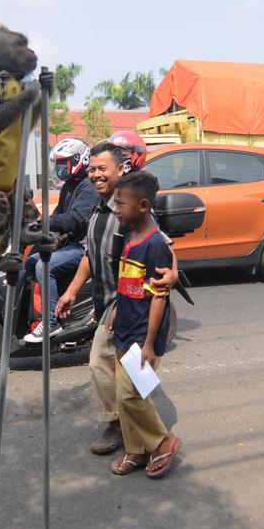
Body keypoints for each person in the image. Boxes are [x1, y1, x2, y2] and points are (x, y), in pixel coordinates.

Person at [55, 132, 176, 456]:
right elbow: (89, 255)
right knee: (108, 369)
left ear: (121, 169)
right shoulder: (98, 208)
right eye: (92, 168)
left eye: (102, 168)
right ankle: (128, 428)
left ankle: (146, 437)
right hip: (107, 304)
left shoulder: (130, 207)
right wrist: (70, 291)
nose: (95, 174)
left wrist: (174, 271)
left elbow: (161, 242)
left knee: (128, 374)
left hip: (132, 308)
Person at [104, 171, 181, 478]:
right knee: (130, 396)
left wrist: (149, 344)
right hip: (124, 327)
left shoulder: (155, 245)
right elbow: (128, 282)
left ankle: (163, 442)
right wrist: (116, 309)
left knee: (129, 395)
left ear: (144, 205)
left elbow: (159, 297)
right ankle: (136, 450)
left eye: (121, 203)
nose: (116, 209)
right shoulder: (130, 235)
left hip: (142, 336)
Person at [23, 138, 100, 343]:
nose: (58, 169)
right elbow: (58, 215)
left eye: (62, 164)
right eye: (57, 165)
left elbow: (74, 219)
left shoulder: (88, 188)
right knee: (30, 263)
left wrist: (47, 223)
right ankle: (42, 310)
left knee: (44, 266)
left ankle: (50, 323)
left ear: (78, 160)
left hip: (85, 247)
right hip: (72, 244)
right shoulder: (69, 186)